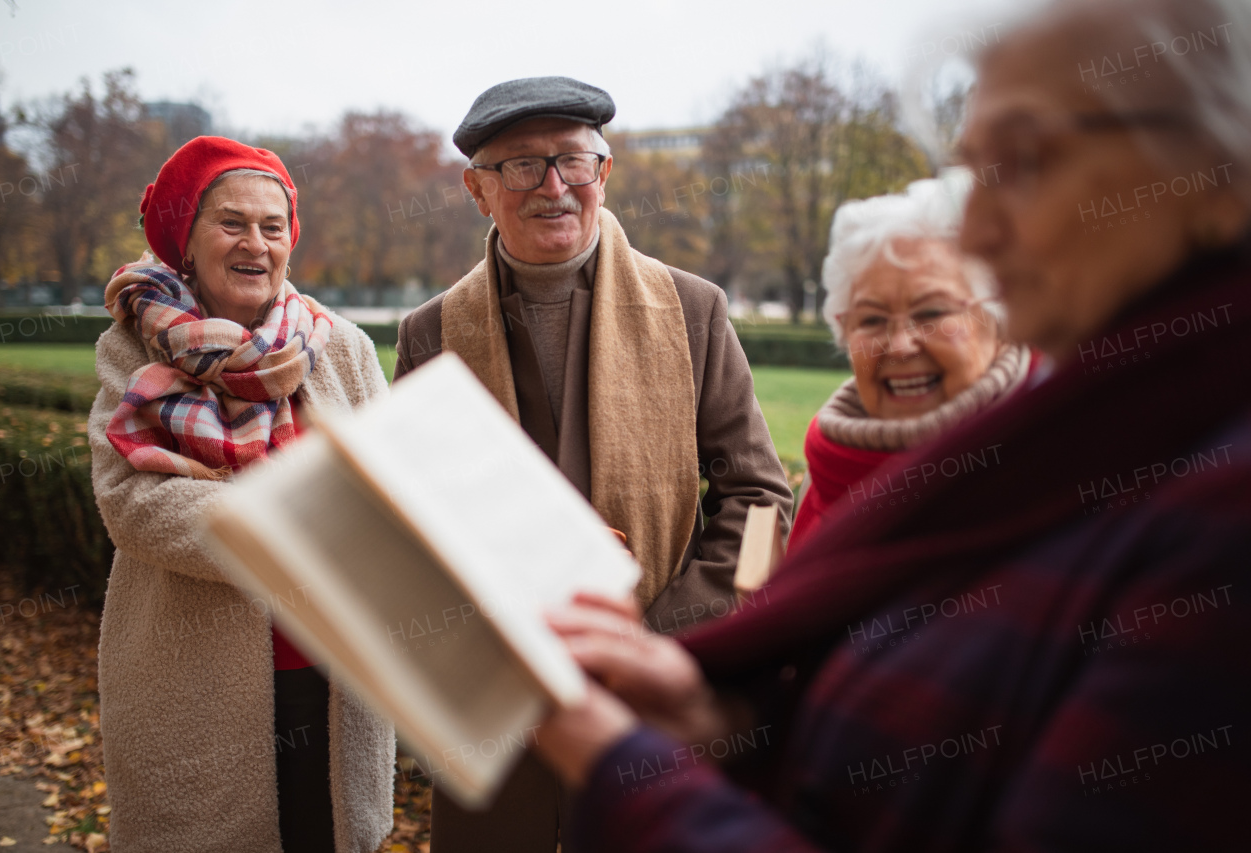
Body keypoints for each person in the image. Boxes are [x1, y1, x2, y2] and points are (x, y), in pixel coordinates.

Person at [531, 0, 1251, 850]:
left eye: (1025, 159)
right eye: (870, 320)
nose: (980, 229)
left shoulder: (1209, 510)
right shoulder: (1063, 454)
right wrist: (719, 719)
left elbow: (754, 499)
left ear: (1220, 173)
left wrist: (633, 760)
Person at [394, 77, 793, 852]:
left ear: (604, 173)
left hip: (655, 689)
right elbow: (409, 518)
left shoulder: (694, 309)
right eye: (520, 167)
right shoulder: (431, 332)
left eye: (573, 161)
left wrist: (658, 637)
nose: (553, 186)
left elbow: (761, 499)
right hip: (497, 695)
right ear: (478, 189)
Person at [89, 137, 395, 853]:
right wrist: (295, 525)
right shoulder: (132, 345)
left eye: (273, 225)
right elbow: (133, 504)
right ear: (185, 241)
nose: (255, 242)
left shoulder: (340, 344)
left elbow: (395, 485)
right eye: (232, 222)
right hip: (192, 682)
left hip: (333, 674)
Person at [789, 171, 1033, 551]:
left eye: (932, 313)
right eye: (871, 319)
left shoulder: (1046, 454)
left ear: (999, 319)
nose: (900, 346)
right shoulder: (827, 468)